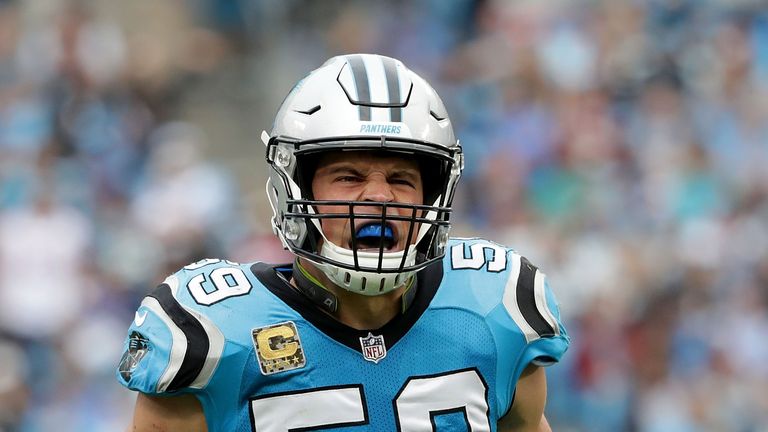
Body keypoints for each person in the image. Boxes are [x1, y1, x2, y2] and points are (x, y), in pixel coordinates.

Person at [116, 53, 570, 431]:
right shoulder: (214, 331)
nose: (379, 196)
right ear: (294, 189)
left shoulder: (494, 308)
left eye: (401, 179)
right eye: (349, 176)